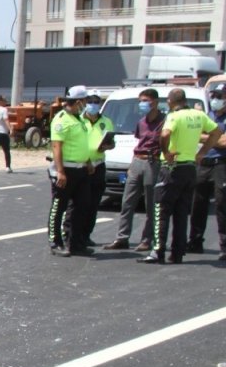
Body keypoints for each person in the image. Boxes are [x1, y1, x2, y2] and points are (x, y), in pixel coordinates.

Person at [143, 88, 223, 264]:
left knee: (161, 210)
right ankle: (177, 253)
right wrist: (202, 152)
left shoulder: (173, 116)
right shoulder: (198, 115)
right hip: (190, 168)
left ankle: (158, 250)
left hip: (171, 168)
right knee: (181, 212)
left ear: (171, 101)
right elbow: (216, 132)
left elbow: (164, 134)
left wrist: (166, 151)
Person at [104, 88, 162, 251]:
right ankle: (122, 237)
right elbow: (138, 142)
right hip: (137, 161)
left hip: (153, 162)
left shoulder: (164, 121)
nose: (142, 104)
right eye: (141, 101)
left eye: (146, 101)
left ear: (155, 102)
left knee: (150, 204)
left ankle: (147, 239)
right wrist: (131, 164)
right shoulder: (141, 122)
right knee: (127, 202)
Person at [48, 85, 94, 257]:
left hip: (81, 169)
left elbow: (81, 143)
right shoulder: (61, 119)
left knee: (81, 206)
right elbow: (57, 146)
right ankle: (55, 242)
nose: (86, 104)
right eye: (85, 101)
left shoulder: (79, 118)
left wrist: (88, 161)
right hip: (66, 169)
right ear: (78, 101)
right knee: (58, 207)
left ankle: (74, 243)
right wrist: (60, 172)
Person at [188, 82, 226, 259]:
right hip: (203, 163)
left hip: (221, 164)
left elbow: (223, 142)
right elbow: (211, 138)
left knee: (221, 204)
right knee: (198, 203)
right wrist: (212, 137)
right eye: (214, 96)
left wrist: (204, 136)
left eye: (220, 96)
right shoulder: (207, 116)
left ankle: (224, 246)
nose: (215, 99)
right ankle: (195, 241)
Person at [75, 90, 114, 247]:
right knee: (79, 203)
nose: (93, 107)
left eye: (96, 104)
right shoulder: (79, 121)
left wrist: (108, 146)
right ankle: (73, 234)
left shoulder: (106, 121)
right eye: (90, 103)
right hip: (82, 165)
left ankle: (86, 235)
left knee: (93, 203)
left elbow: (112, 142)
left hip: (99, 164)